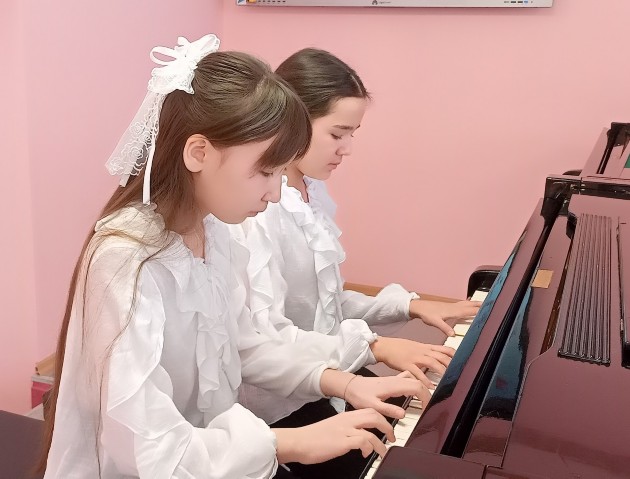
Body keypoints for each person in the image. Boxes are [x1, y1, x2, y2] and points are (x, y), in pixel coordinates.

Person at [39, 35, 428, 479]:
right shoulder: (126, 259)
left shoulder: (214, 231)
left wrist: (345, 382)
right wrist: (289, 443)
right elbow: (147, 445)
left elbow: (245, 345)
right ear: (199, 153)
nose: (275, 192)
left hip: (218, 459)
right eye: (265, 171)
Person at [232, 50, 481, 476]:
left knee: (423, 411)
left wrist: (410, 305)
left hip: (325, 369)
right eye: (337, 133)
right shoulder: (258, 211)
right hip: (278, 400)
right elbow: (268, 337)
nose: (347, 149)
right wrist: (375, 346)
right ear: (291, 121)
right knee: (391, 447)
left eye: (353, 133)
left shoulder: (310, 192)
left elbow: (323, 305)